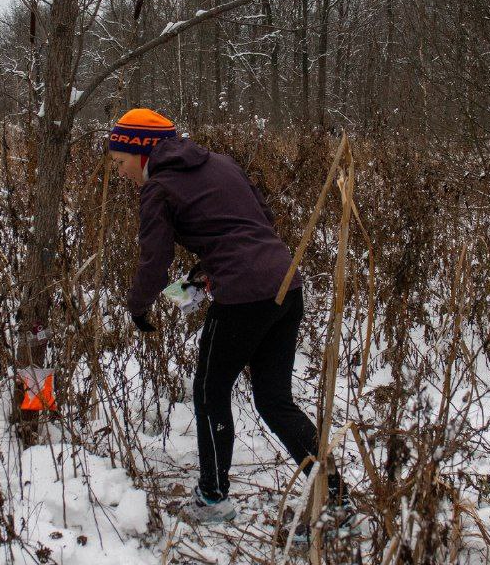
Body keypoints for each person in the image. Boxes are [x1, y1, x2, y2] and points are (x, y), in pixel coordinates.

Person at [107, 107, 346, 529]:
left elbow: (154, 261)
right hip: (286, 285)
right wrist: (212, 266)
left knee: (209, 392)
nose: (120, 171)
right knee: (275, 400)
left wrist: (138, 306)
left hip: (241, 299)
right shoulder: (220, 162)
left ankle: (213, 498)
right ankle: (336, 498)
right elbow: (261, 220)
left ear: (142, 151)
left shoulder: (158, 187)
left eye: (121, 161)